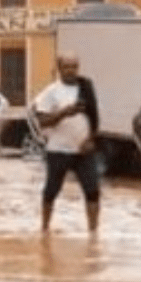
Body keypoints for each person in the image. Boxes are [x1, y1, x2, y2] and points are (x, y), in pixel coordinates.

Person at [31, 52, 100, 232]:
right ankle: (44, 228)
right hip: (58, 150)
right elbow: (42, 121)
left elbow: (95, 117)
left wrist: (92, 139)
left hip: (84, 151)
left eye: (74, 67)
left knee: (93, 191)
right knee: (51, 191)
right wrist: (64, 113)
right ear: (59, 69)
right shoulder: (51, 92)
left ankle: (93, 234)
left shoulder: (86, 87)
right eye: (67, 67)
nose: (71, 71)